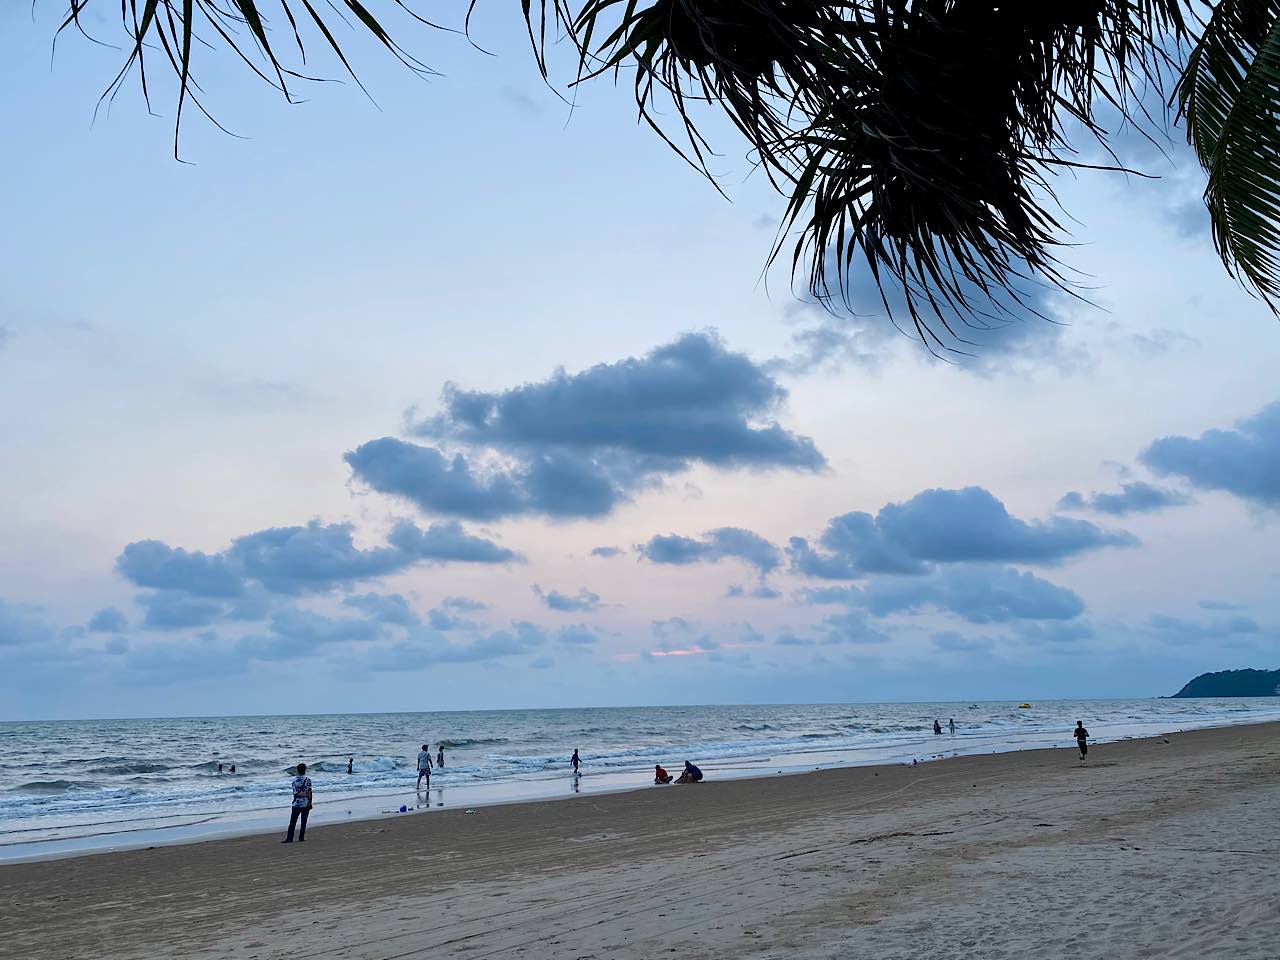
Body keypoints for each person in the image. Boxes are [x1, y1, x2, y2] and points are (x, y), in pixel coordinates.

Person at [282, 763, 312, 843]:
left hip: (296, 803)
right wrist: (310, 803)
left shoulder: (294, 780)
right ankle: (301, 837)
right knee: (303, 821)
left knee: (293, 822)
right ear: (305, 770)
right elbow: (309, 792)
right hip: (305, 802)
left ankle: (289, 838)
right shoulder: (308, 780)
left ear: (297, 770)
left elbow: (294, 791)